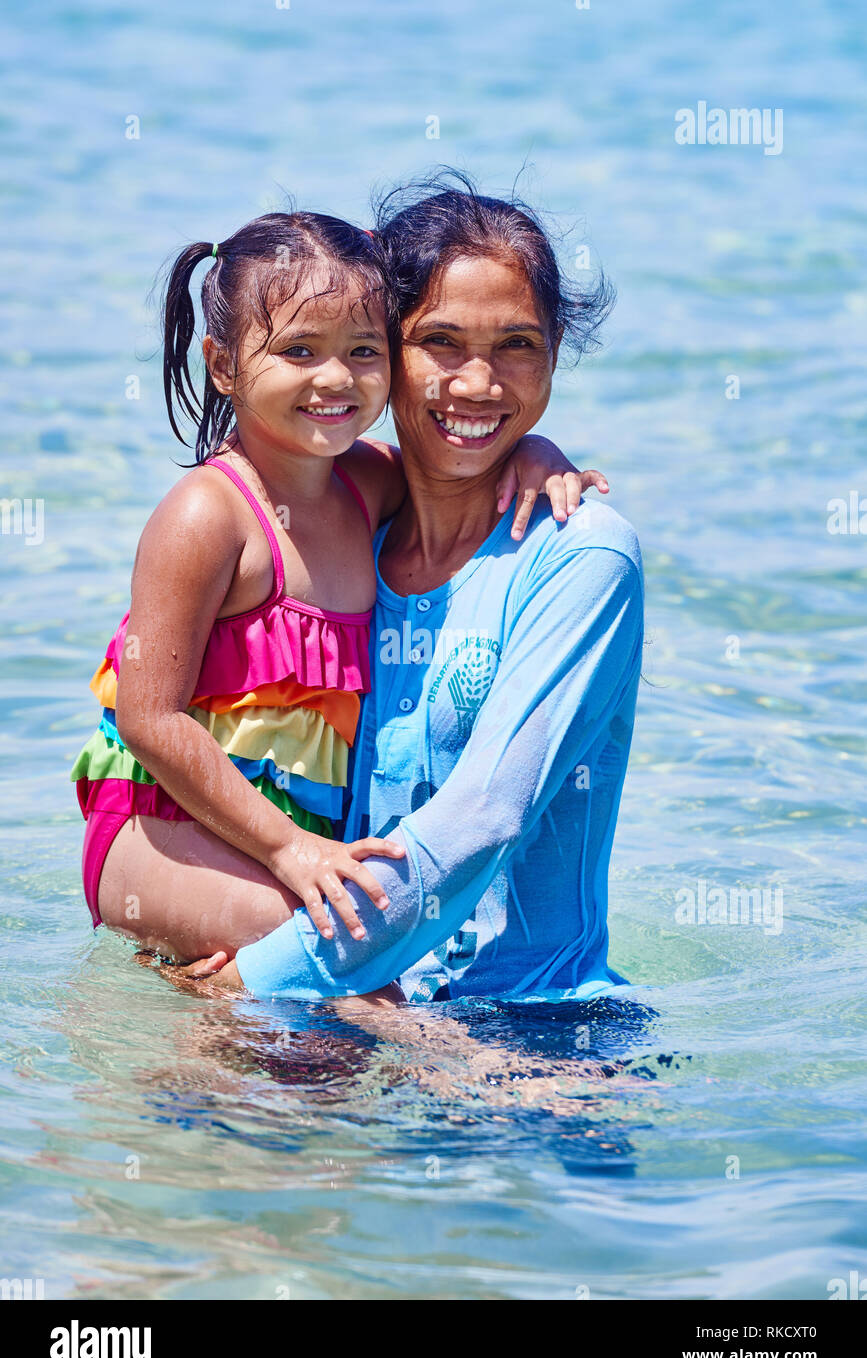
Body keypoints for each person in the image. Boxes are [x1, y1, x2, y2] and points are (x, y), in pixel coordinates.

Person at [71, 206, 596, 969]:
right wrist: (288, 850)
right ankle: (482, 1082)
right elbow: (150, 718)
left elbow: (463, 471)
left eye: (361, 350)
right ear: (222, 364)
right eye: (297, 351)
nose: (334, 378)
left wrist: (539, 452)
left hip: (280, 838)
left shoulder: (367, 487)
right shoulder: (208, 516)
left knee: (310, 1056)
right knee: (354, 974)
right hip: (158, 826)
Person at [194, 174, 644, 1004]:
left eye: (517, 344)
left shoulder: (582, 558)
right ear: (376, 353)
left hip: (528, 1041)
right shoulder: (340, 536)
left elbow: (483, 823)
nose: (480, 384)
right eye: (440, 341)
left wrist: (256, 979)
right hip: (340, 1004)